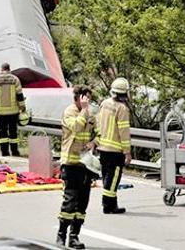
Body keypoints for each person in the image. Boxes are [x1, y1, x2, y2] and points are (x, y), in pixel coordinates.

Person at [56, 85, 97, 249]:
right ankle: (61, 235)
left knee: (82, 203)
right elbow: (76, 127)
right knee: (70, 202)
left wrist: (93, 142)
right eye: (85, 99)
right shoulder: (70, 112)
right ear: (78, 98)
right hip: (70, 164)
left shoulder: (89, 113)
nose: (88, 102)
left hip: (85, 165)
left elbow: (99, 132)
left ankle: (74, 236)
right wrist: (84, 110)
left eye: (89, 99)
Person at [95, 77, 131, 214]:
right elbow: (124, 131)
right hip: (115, 150)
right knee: (113, 178)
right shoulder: (122, 109)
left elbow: (98, 123)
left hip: (103, 148)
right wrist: (127, 152)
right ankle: (108, 205)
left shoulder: (104, 104)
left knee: (107, 177)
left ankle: (111, 204)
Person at [0, 63, 25, 157]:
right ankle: (15, 151)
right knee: (13, 131)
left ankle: (4, 152)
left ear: (1, 69)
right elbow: (19, 95)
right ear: (9, 69)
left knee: (2, 131)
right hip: (13, 111)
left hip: (1, 111)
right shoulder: (15, 79)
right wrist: (22, 107)